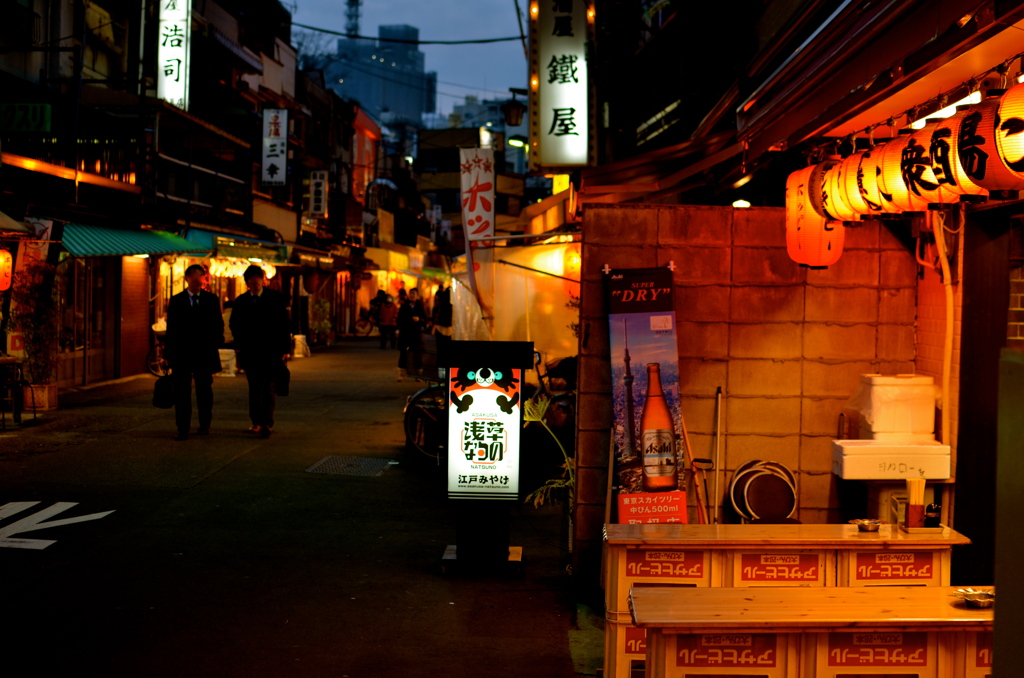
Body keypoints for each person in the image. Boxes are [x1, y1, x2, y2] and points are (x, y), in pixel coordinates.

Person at [163, 264, 224, 441]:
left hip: (204, 352)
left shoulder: (211, 299)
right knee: (182, 392)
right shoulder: (176, 300)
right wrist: (168, 355)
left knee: (204, 390)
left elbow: (218, 324)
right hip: (182, 353)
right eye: (195, 277)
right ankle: (182, 427)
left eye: (201, 278)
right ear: (187, 279)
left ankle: (205, 423)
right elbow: (171, 329)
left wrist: (214, 342)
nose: (198, 281)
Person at [229, 265, 291, 438]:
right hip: (250, 351)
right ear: (247, 283)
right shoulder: (241, 301)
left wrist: (285, 349)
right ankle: (256, 421)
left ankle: (267, 422)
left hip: (271, 351)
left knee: (269, 387)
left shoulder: (275, 298)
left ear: (263, 281)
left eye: (258, 281)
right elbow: (234, 324)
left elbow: (284, 325)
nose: (255, 285)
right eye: (252, 282)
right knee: (254, 387)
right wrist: (240, 342)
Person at [396, 288, 425, 381]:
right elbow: (399, 319)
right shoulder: (404, 306)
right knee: (403, 354)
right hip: (405, 333)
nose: (412, 295)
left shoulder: (420, 306)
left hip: (416, 334)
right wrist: (408, 320)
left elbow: (425, 319)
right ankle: (402, 374)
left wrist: (419, 319)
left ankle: (418, 375)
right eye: (410, 293)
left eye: (414, 293)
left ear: (417, 295)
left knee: (417, 354)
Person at [432, 284, 454, 355]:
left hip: (441, 329)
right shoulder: (452, 305)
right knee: (446, 350)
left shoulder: (441, 304)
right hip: (448, 329)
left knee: (440, 349)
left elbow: (437, 315)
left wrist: (434, 326)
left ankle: (440, 364)